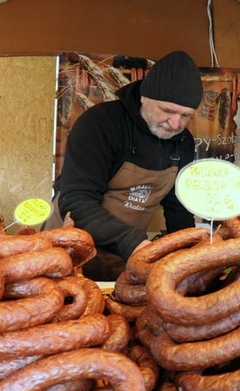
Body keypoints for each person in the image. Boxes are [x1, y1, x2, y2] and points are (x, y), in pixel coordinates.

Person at [48, 50, 204, 281]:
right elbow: (76, 201)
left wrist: (187, 254)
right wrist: (133, 243)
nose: (175, 124)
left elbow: (177, 206)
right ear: (145, 97)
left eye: (186, 116)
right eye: (168, 111)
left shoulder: (183, 141)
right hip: (68, 250)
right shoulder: (100, 124)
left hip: (122, 257)